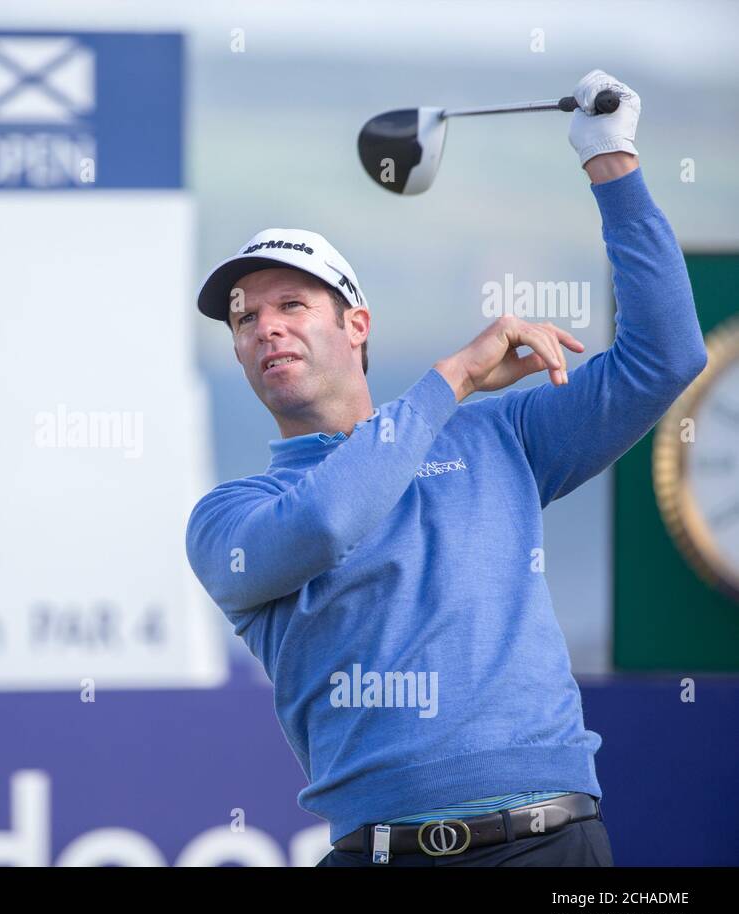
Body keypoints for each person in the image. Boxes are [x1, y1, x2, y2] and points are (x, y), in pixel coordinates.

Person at [185, 71, 705, 865]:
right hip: (376, 852)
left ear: (356, 325)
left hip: (550, 844)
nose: (266, 329)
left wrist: (613, 164)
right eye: (245, 318)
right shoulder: (231, 516)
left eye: (292, 306)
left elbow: (666, 358)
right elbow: (329, 521)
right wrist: (450, 379)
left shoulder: (499, 436)